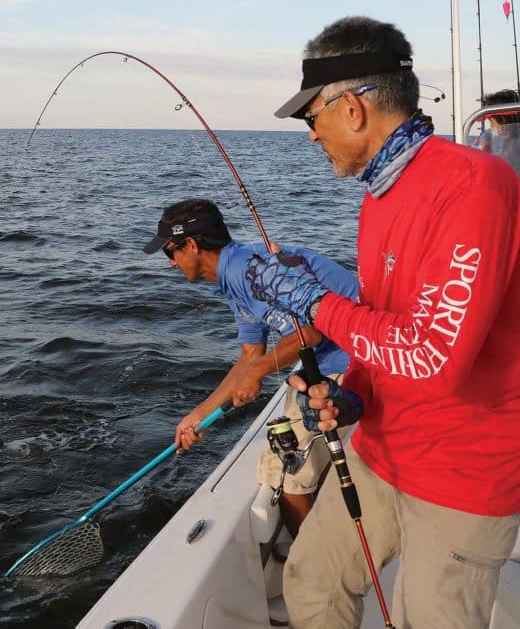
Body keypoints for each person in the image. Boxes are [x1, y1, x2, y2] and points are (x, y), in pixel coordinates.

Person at [257, 16, 520, 627]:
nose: (311, 136)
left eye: (310, 117)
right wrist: (353, 396)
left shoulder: (475, 184)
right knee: (311, 579)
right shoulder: (379, 199)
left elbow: (434, 360)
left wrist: (315, 302)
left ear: (353, 109)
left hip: (468, 466)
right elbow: (383, 324)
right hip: (387, 445)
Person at [141, 198, 359, 537]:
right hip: (328, 365)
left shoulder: (250, 269)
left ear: (193, 245)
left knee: (283, 470)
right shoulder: (234, 276)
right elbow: (249, 357)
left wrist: (257, 373)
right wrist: (199, 414)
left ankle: (312, 567)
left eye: (171, 253)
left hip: (354, 362)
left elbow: (314, 329)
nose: (170, 264)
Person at [477, 88, 520, 219]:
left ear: (502, 118)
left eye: (492, 121)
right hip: (510, 209)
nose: (492, 127)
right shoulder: (507, 141)